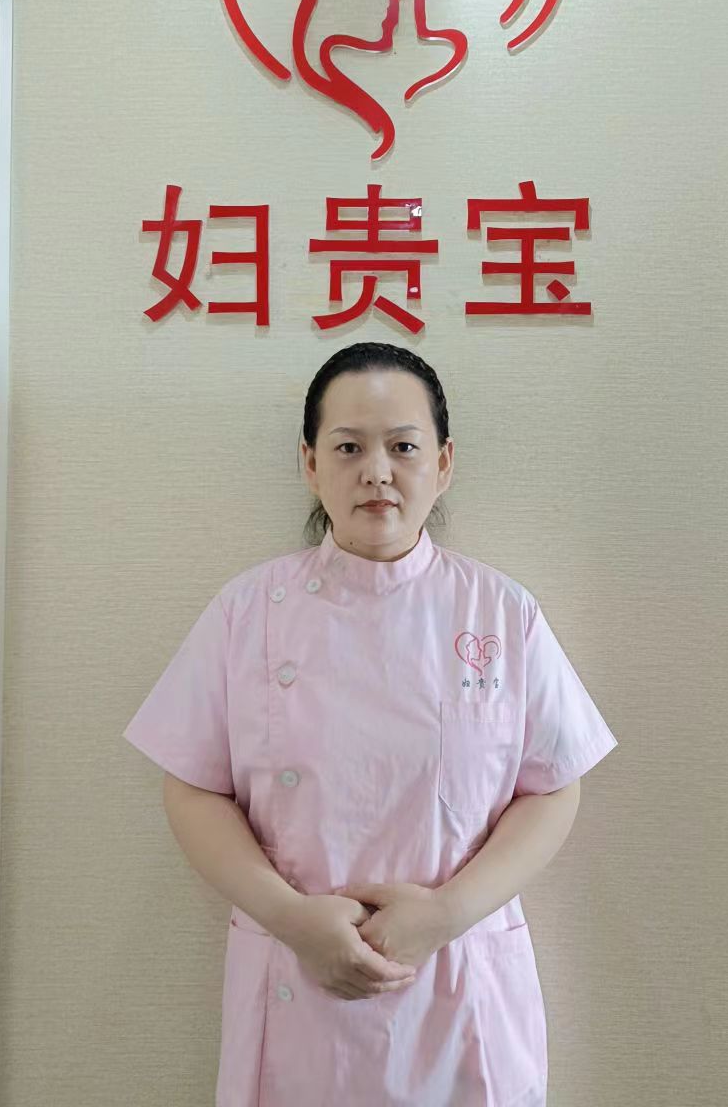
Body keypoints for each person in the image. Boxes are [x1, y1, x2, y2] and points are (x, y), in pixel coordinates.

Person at [122, 340, 618, 1106]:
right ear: (310, 464)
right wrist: (291, 918)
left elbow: (553, 788)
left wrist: (447, 913)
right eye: (349, 447)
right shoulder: (247, 613)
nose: (377, 471)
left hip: (458, 983)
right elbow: (192, 787)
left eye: (404, 447)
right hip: (297, 979)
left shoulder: (500, 613)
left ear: (443, 464)